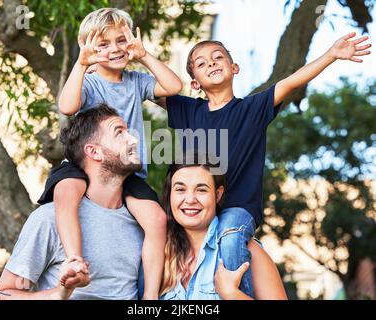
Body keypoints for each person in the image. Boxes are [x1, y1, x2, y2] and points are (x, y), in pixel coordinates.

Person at [157, 33, 371, 297]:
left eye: (218, 58)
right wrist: (138, 54)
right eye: (201, 64)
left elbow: (291, 82)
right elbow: (144, 89)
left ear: (234, 68)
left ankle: (235, 291)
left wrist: (331, 55)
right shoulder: (187, 110)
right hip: (198, 207)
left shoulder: (252, 108)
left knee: (230, 234)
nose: (211, 64)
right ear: (194, 83)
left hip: (237, 209)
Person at [38, 8, 183, 299]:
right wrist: (81, 64)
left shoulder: (136, 81)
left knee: (156, 219)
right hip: (85, 164)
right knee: (66, 193)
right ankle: (74, 258)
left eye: (121, 40)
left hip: (125, 170)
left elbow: (174, 86)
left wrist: (143, 54)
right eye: (102, 44)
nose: (114, 49)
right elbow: (67, 106)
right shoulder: (89, 82)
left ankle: (151, 296)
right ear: (89, 49)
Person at [0, 105, 146, 300]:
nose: (133, 139)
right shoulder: (48, 219)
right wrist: (58, 294)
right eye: (119, 133)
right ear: (94, 152)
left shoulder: (141, 220)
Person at [160, 153, 287, 300]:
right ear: (170, 195)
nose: (190, 200)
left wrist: (232, 294)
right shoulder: (159, 254)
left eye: (201, 190)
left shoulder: (246, 250)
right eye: (180, 189)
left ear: (218, 195)